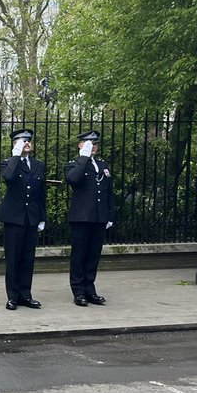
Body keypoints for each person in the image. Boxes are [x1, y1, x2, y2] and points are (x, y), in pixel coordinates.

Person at [0, 128, 47, 310]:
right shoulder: (7, 163)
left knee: (28, 258)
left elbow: (42, 193)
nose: (27, 143)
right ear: (15, 144)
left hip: (31, 217)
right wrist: (16, 156)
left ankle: (26, 294)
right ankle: (12, 296)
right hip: (13, 217)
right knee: (13, 258)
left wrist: (42, 216)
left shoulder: (38, 165)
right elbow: (8, 177)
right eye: (22, 140)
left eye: (28, 140)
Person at [65, 130, 114, 306]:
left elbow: (108, 192)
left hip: (99, 217)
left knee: (93, 254)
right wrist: (84, 157)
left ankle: (90, 289)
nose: (92, 147)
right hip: (81, 217)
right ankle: (78, 291)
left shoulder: (102, 164)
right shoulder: (74, 164)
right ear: (80, 145)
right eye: (88, 143)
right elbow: (73, 179)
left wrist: (109, 214)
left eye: (94, 144)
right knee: (79, 254)